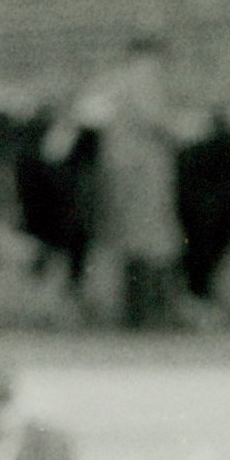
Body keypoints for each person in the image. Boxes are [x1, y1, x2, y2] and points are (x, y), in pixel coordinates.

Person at [85, 36, 189, 330]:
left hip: (120, 170)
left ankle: (134, 314)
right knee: (154, 240)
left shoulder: (117, 79)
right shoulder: (145, 76)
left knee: (130, 241)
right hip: (144, 170)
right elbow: (156, 118)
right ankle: (155, 314)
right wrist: (186, 131)